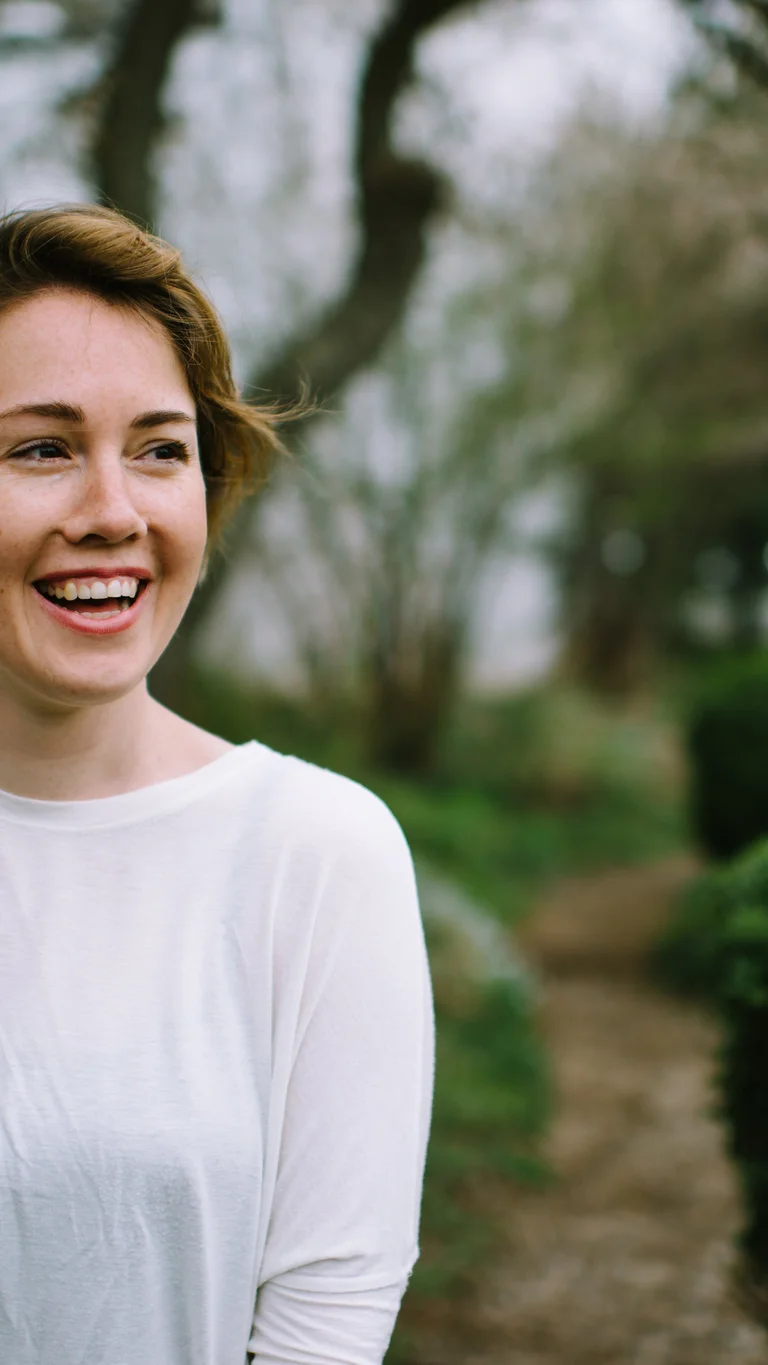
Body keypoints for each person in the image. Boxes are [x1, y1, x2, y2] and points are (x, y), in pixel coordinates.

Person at [0, 204, 435, 1365]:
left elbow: (324, 1321)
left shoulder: (315, 853)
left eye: (159, 449)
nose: (113, 513)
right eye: (39, 448)